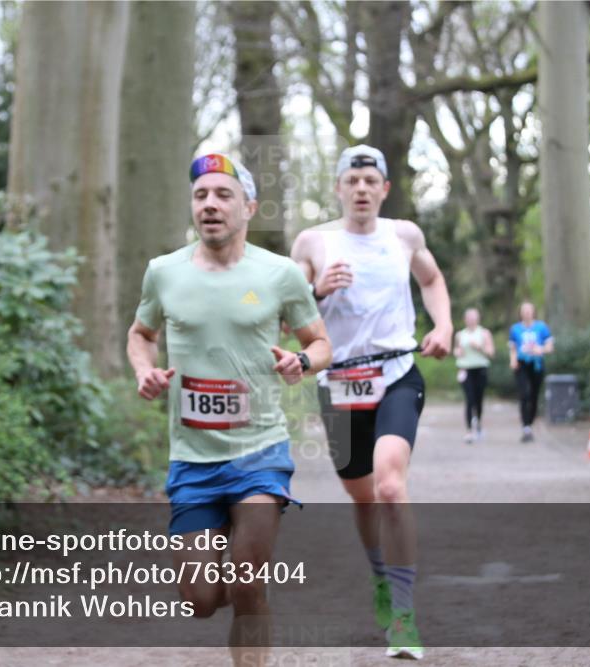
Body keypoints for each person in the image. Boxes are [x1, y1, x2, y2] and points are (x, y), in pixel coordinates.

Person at [127, 153, 332, 667]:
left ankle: (250, 597)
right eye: (201, 196)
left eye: (223, 195)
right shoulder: (163, 272)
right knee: (199, 601)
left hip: (259, 452)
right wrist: (144, 369)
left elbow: (320, 342)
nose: (210, 205)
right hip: (192, 458)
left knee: (246, 584)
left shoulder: (280, 273)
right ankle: (237, 585)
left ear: (249, 208)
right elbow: (141, 334)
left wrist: (302, 361)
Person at [290, 144, 452, 660]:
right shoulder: (312, 242)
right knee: (362, 496)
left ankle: (403, 615)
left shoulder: (404, 235)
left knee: (389, 486)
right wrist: (316, 290)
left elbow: (432, 279)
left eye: (369, 181)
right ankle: (381, 577)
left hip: (398, 374)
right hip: (339, 383)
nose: (360, 189)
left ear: (384, 189)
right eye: (351, 180)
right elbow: (285, 312)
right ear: (338, 188)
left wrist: (444, 325)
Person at [508, 301, 554, 442]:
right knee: (524, 394)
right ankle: (526, 426)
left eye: (529, 310)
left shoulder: (541, 327)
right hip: (521, 364)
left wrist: (540, 349)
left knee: (534, 395)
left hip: (536, 364)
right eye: (524, 310)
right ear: (520, 313)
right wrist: (513, 360)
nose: (527, 313)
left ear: (533, 312)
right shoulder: (515, 329)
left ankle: (530, 421)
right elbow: (513, 348)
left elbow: (549, 347)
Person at [454, 308, 494, 443]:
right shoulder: (460, 334)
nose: (471, 320)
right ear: (465, 319)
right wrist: (457, 352)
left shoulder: (484, 333)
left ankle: (479, 423)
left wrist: (479, 347)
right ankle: (469, 430)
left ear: (478, 319)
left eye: (473, 317)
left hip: (481, 368)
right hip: (465, 369)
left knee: (478, 399)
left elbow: (491, 352)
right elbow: (456, 349)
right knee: (469, 399)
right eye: (468, 317)